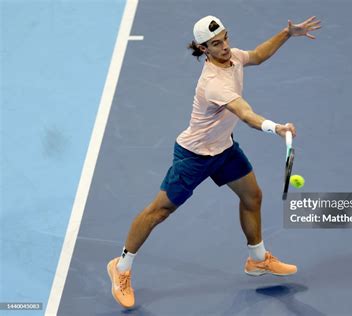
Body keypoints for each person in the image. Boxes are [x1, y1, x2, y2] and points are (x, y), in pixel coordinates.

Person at [107, 15, 321, 309]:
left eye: (225, 39)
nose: (224, 47)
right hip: (194, 157)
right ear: (203, 48)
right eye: (215, 44)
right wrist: (276, 127)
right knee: (158, 212)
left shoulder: (232, 57)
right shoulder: (213, 83)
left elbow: (257, 56)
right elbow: (245, 114)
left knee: (252, 196)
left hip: (224, 150)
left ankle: (257, 260)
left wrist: (286, 33)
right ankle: (120, 268)